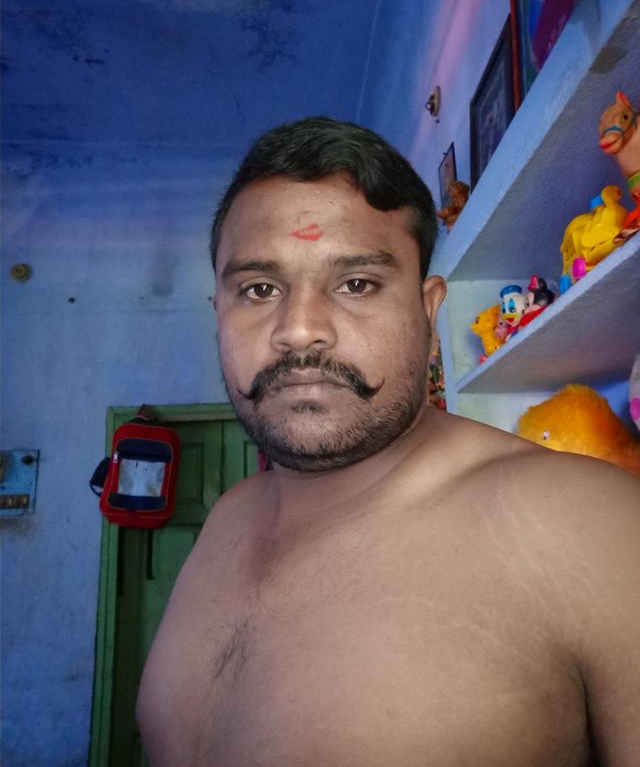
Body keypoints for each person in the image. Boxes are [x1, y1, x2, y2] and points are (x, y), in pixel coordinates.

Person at [137, 116, 640, 766]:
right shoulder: (226, 519)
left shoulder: (589, 524)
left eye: (356, 284)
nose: (299, 329)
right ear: (219, 314)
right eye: (259, 289)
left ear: (428, 313)